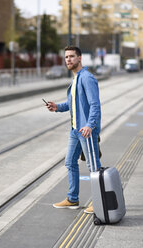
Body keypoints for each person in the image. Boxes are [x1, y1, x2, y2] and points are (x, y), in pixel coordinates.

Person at [45, 46, 101, 214]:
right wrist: (57, 107)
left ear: (79, 58)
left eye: (71, 56)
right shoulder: (76, 79)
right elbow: (72, 104)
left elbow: (95, 105)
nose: (68, 60)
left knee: (93, 167)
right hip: (75, 130)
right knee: (70, 162)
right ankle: (72, 199)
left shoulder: (87, 78)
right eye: (66, 57)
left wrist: (90, 125)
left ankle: (98, 202)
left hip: (86, 131)